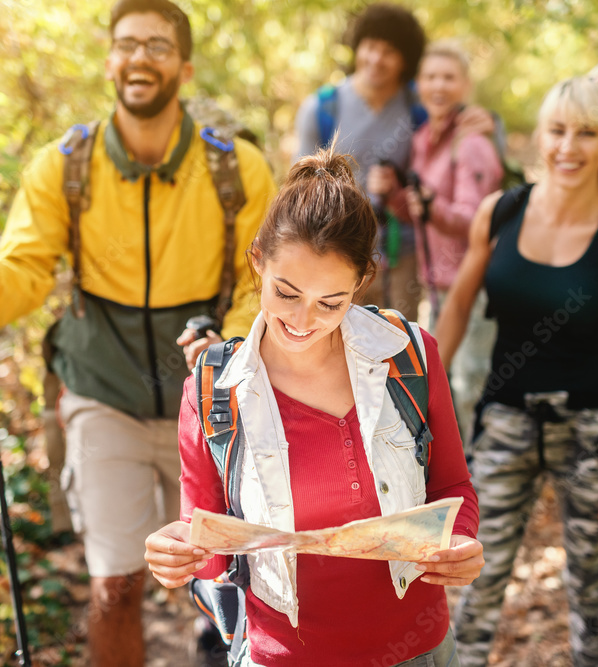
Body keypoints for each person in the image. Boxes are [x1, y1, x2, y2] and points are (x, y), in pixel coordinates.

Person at [0, 1, 275, 664]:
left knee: (224, 578)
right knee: (115, 580)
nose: (139, 57)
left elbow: (260, 280)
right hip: (101, 392)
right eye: (126, 44)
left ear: (184, 65)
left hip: (208, 400)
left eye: (155, 45)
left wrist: (226, 345)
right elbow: (21, 280)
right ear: (110, 59)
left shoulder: (237, 169)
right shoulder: (65, 166)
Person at [144, 148, 484, 666]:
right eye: (286, 293)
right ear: (258, 259)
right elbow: (211, 551)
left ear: (361, 283)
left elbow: (451, 487)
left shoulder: (408, 356)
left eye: (331, 303)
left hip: (417, 649)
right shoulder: (215, 390)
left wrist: (460, 543)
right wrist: (177, 554)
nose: (304, 320)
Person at [434, 65, 598, 666]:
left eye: (586, 133)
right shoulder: (501, 213)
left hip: (592, 432)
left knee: (591, 595)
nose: (568, 147)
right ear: (539, 135)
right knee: (473, 580)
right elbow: (457, 308)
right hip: (506, 422)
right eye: (557, 130)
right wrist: (422, 402)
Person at [294, 3, 491, 322]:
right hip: (337, 251)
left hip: (404, 255)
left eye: (389, 51)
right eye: (370, 47)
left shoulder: (420, 105)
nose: (376, 59)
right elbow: (299, 190)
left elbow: (461, 131)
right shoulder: (321, 108)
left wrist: (486, 123)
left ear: (406, 60)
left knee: (399, 349)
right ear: (357, 47)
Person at [403, 39, 503, 442]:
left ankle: (487, 481)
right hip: (440, 284)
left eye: (448, 77)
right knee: (442, 386)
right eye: (430, 77)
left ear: (465, 85)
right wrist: (397, 194)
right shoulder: (424, 138)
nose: (438, 86)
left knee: (470, 385)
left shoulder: (472, 142)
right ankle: (462, 483)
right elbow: (421, 209)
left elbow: (477, 218)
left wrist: (432, 206)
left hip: (474, 283)